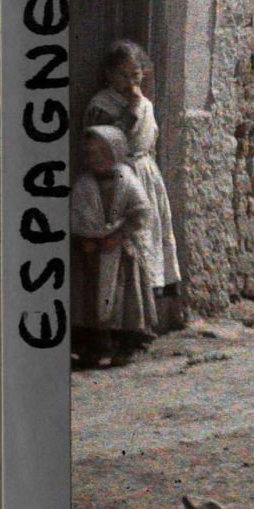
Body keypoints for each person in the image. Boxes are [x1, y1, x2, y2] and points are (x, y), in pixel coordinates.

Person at [84, 40, 181, 331]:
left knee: (147, 241)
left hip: (146, 178)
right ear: (109, 75)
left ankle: (147, 320)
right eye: (124, 75)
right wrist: (133, 109)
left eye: (136, 76)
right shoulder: (101, 105)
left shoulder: (146, 104)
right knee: (122, 248)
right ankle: (118, 326)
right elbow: (109, 139)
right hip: (118, 181)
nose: (131, 82)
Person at [71, 125, 160, 368]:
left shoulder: (126, 180)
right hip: (90, 255)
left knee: (123, 298)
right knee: (88, 299)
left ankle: (125, 344)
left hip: (119, 252)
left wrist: (120, 235)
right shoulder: (84, 184)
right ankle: (93, 344)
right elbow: (76, 216)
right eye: (91, 153)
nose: (96, 158)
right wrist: (84, 238)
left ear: (116, 151)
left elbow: (141, 211)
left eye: (103, 152)